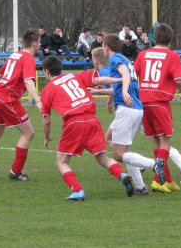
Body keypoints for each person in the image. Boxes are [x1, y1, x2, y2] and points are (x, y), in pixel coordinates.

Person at [41, 56, 135, 200]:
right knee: (103, 158)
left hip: (74, 122)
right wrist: (119, 80)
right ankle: (122, 175)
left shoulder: (47, 90)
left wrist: (47, 138)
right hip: (92, 119)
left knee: (61, 162)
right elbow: (100, 80)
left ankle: (78, 190)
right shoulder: (75, 76)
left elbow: (46, 120)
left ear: (46, 72)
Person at [133, 23, 181, 193]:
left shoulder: (143, 54)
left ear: (154, 36)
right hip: (160, 102)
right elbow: (178, 80)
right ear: (170, 38)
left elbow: (133, 76)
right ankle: (157, 179)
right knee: (166, 141)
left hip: (143, 101)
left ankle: (167, 180)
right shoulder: (172, 56)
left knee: (156, 140)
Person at [102, 34, 164, 195]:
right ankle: (140, 187)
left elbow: (125, 77)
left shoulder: (115, 59)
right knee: (121, 148)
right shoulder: (125, 60)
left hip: (127, 108)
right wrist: (101, 93)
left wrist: (123, 92)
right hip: (135, 108)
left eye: (103, 46)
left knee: (118, 154)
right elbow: (126, 80)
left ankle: (154, 164)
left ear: (107, 47)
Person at [0, 28, 43, 181]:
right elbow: (28, 80)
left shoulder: (15, 55)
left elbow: (0, 73)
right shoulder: (28, 58)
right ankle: (16, 171)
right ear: (34, 43)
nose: (41, 45)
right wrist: (38, 100)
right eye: (40, 42)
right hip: (7, 98)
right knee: (29, 133)